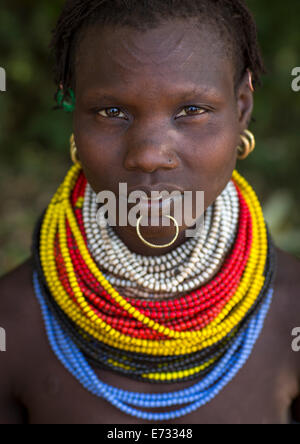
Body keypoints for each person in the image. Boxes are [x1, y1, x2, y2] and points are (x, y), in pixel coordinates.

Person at [0, 0, 300, 425]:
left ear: (242, 110)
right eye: (111, 112)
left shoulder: (292, 313)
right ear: (74, 116)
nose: (149, 155)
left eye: (191, 110)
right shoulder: (13, 323)